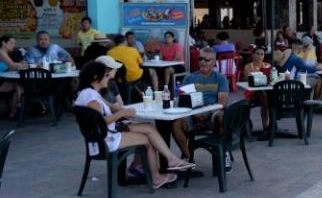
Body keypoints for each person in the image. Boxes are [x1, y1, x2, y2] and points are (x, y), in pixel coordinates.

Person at [75, 61, 187, 189]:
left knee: (148, 127)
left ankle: (171, 160)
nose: (109, 78)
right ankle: (156, 177)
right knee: (148, 139)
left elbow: (104, 115)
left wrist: (121, 111)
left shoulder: (86, 92)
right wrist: (122, 112)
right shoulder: (91, 97)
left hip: (103, 135)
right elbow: (102, 122)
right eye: (105, 75)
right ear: (96, 78)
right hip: (106, 139)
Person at [171, 47, 230, 169]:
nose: (202, 62)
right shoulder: (189, 78)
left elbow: (222, 103)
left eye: (207, 60)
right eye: (200, 59)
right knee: (175, 123)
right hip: (193, 115)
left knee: (221, 117)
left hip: (212, 115)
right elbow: (182, 101)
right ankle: (188, 157)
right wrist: (194, 114)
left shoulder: (220, 78)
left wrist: (208, 112)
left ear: (214, 62)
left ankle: (224, 154)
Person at [242, 47, 273, 134]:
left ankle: (266, 126)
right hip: (251, 92)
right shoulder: (248, 67)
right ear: (253, 55)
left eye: (262, 54)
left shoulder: (267, 66)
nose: (259, 56)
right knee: (263, 95)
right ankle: (267, 125)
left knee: (265, 95)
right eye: (257, 54)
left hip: (265, 92)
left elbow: (271, 80)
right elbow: (248, 80)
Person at [0, 35, 26, 118]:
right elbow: (12, 66)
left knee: (18, 85)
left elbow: (9, 67)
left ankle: (14, 112)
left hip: (3, 80)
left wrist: (20, 64)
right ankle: (19, 108)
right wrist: (22, 65)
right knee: (18, 84)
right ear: (4, 43)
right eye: (11, 43)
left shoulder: (5, 53)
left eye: (14, 43)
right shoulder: (1, 52)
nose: (13, 45)